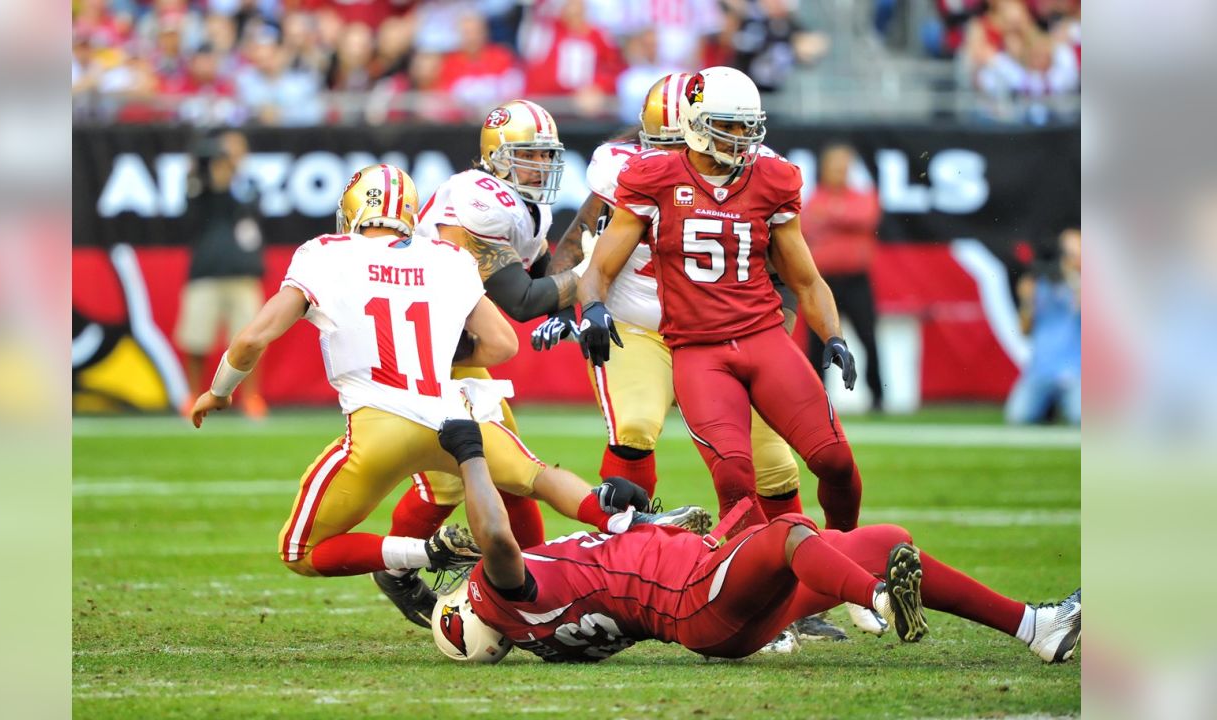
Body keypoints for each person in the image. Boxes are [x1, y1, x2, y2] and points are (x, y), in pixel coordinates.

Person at [189, 164, 706, 622]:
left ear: (350, 214)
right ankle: (624, 518)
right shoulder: (445, 257)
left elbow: (254, 336)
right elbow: (503, 345)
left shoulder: (324, 253)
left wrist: (219, 391)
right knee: (537, 477)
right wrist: (433, 358)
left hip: (377, 427)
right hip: (454, 420)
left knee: (299, 550)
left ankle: (424, 554)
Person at [536, 73, 864, 642]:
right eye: (664, 144)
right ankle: (626, 571)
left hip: (736, 332)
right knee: (640, 428)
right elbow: (587, 248)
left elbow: (796, 273)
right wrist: (576, 308)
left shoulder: (767, 173)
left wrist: (819, 331)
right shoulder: (632, 171)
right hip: (644, 327)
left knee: (788, 466)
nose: (677, 157)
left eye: (743, 130)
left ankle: (815, 582)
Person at [430, 419, 1082, 665]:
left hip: (709, 608)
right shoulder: (503, 597)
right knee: (789, 532)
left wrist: (643, 522)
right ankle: (873, 598)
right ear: (469, 610)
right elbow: (499, 543)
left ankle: (1036, 627)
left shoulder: (544, 634)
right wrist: (469, 453)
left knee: (887, 538)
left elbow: (614, 574)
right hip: (696, 601)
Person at [377, 99, 591, 619]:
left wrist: (582, 261)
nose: (542, 167)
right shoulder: (477, 200)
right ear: (497, 157)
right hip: (430, 351)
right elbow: (521, 301)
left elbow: (541, 275)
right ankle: (404, 567)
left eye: (547, 156)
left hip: (456, 347)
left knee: (505, 469)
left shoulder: (521, 204)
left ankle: (527, 577)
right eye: (530, 156)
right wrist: (592, 273)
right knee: (495, 470)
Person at [174, 128, 267, 420]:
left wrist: (229, 181)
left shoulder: (250, 185)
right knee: (197, 340)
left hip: (242, 272)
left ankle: (251, 398)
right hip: (206, 272)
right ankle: (191, 395)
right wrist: (208, 180)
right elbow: (190, 217)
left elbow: (249, 213)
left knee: (250, 341)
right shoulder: (198, 184)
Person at [801, 142, 886, 412]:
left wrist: (832, 217)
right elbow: (807, 224)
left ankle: (878, 396)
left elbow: (866, 217)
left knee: (868, 337)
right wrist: (841, 218)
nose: (840, 172)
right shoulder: (815, 198)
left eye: (844, 166)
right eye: (835, 166)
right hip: (824, 281)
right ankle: (817, 397)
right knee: (817, 340)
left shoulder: (860, 196)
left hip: (856, 280)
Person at [1006, 228, 1080, 424]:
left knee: (1080, 417)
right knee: (1018, 417)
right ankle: (1049, 408)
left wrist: (1074, 278)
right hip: (1042, 369)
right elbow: (1024, 330)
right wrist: (1027, 303)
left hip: (1075, 370)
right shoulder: (1040, 284)